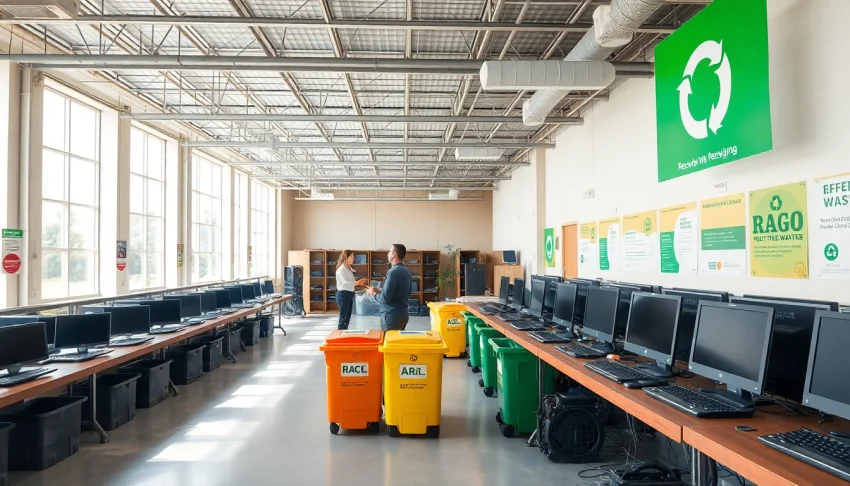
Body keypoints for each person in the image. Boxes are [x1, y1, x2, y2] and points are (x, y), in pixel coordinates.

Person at [366, 244, 412, 331]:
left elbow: (384, 298)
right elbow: (404, 292)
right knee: (396, 343)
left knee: (388, 342)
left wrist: (373, 294)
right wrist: (380, 290)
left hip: (391, 315)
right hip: (404, 315)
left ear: (394, 255)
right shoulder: (407, 271)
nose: (388, 254)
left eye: (389, 252)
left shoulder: (392, 272)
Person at [335, 250, 366, 330]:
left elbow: (351, 282)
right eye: (351, 257)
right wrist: (357, 283)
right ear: (345, 258)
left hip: (349, 294)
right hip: (343, 294)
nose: (353, 259)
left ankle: (344, 332)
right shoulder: (341, 269)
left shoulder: (348, 269)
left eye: (353, 257)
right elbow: (345, 283)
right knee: (343, 317)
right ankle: (340, 334)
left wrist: (358, 283)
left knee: (347, 317)